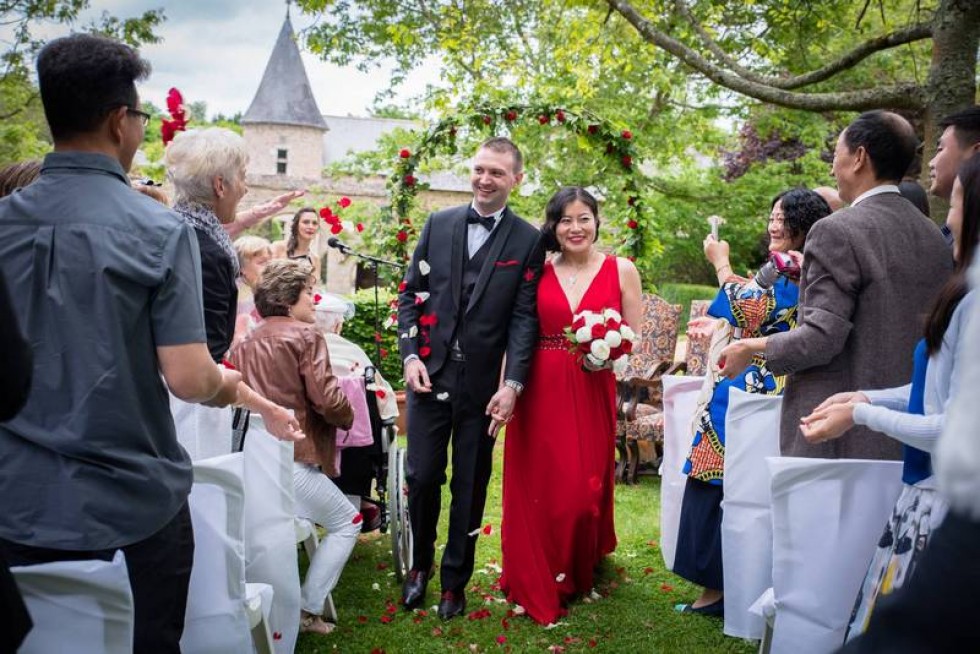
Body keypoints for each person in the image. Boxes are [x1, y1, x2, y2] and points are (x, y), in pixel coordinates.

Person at [0, 34, 246, 651]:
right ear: (119, 121)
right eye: (139, 116)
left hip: (13, 503)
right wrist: (229, 387)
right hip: (126, 507)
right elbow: (190, 378)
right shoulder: (158, 230)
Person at [802, 154, 978, 644]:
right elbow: (931, 391)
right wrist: (865, 395)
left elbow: (952, 423)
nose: (947, 218)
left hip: (943, 499)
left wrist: (860, 414)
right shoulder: (959, 287)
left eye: (957, 202)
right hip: (917, 494)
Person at [718, 111, 952, 459]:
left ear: (859, 157)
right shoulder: (932, 235)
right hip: (908, 431)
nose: (831, 168)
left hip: (836, 435)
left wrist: (750, 348)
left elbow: (820, 338)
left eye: (835, 156)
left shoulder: (836, 230)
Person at [397, 137, 544, 619]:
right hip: (428, 376)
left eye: (496, 173)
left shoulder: (528, 240)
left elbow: (525, 319)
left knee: (471, 483)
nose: (484, 179)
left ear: (516, 180)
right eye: (479, 169)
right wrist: (409, 357)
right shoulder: (438, 224)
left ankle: (454, 582)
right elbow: (409, 295)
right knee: (421, 476)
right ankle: (419, 566)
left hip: (483, 385)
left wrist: (513, 384)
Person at [672, 189, 832, 617]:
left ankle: (716, 591)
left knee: (719, 485)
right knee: (731, 487)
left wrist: (720, 263)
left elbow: (746, 309)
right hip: (760, 388)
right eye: (772, 216)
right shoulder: (802, 266)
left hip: (753, 392)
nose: (773, 225)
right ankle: (727, 585)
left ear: (801, 224)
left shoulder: (796, 268)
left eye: (782, 218)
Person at [499, 186, 641, 625]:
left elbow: (632, 337)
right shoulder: (537, 271)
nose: (575, 228)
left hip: (591, 385)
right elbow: (517, 332)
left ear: (597, 221)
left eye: (583, 218)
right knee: (540, 482)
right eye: (565, 220)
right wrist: (507, 384)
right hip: (539, 385)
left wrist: (607, 351)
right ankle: (542, 567)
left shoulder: (622, 270)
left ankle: (578, 561)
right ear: (553, 227)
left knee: (582, 490)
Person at [230, 260, 358, 636]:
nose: (314, 301)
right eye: (308, 293)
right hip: (294, 459)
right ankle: (307, 609)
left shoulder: (244, 341)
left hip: (253, 462)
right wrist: (348, 416)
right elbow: (327, 398)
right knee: (347, 522)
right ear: (288, 300)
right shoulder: (307, 335)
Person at [165, 128, 302, 458]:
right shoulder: (208, 255)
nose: (246, 187)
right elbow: (206, 367)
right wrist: (267, 407)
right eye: (242, 177)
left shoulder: (172, 228)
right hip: (191, 412)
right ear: (219, 185)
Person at [315, 292, 398, 531]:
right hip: (357, 449)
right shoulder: (353, 352)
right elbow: (383, 398)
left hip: (314, 445)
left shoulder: (304, 352)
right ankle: (357, 502)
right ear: (338, 325)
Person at [232, 234, 273, 347]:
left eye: (270, 262)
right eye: (262, 262)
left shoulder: (263, 289)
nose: (269, 267)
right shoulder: (240, 293)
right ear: (242, 268)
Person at [273, 206, 322, 280]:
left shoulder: (315, 259)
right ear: (296, 225)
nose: (310, 226)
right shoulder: (278, 247)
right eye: (306, 222)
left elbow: (314, 288)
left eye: (314, 223)